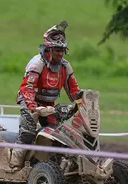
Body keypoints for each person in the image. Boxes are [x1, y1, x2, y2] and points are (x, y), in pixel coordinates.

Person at [8, 21, 80, 171]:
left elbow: (74, 91)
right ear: (49, 49)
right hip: (30, 101)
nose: (60, 53)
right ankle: (14, 164)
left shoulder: (65, 66)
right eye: (57, 50)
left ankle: (50, 166)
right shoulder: (37, 64)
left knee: (56, 134)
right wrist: (34, 108)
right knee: (27, 132)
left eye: (62, 50)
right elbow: (27, 89)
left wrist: (82, 102)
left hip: (49, 105)